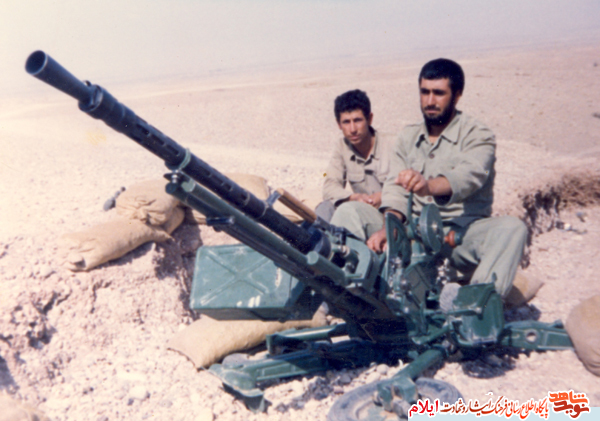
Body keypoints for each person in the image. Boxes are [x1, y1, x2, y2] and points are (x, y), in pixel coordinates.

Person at [335, 59, 527, 298]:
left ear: (457, 95)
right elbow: (395, 189)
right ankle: (352, 292)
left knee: (512, 229)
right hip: (411, 234)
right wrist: (389, 227)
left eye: (439, 93)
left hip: (458, 237)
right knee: (348, 211)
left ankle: (474, 305)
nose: (430, 101)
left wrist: (428, 186)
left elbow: (469, 176)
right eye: (424, 92)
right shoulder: (407, 137)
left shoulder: (478, 135)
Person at [316, 90, 393, 233]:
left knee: (347, 211)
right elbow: (329, 187)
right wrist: (354, 197)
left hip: (391, 216)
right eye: (346, 122)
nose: (352, 129)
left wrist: (384, 196)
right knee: (325, 208)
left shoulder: (393, 145)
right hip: (362, 212)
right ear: (338, 124)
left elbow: (411, 187)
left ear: (369, 119)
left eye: (357, 120)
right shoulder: (341, 147)